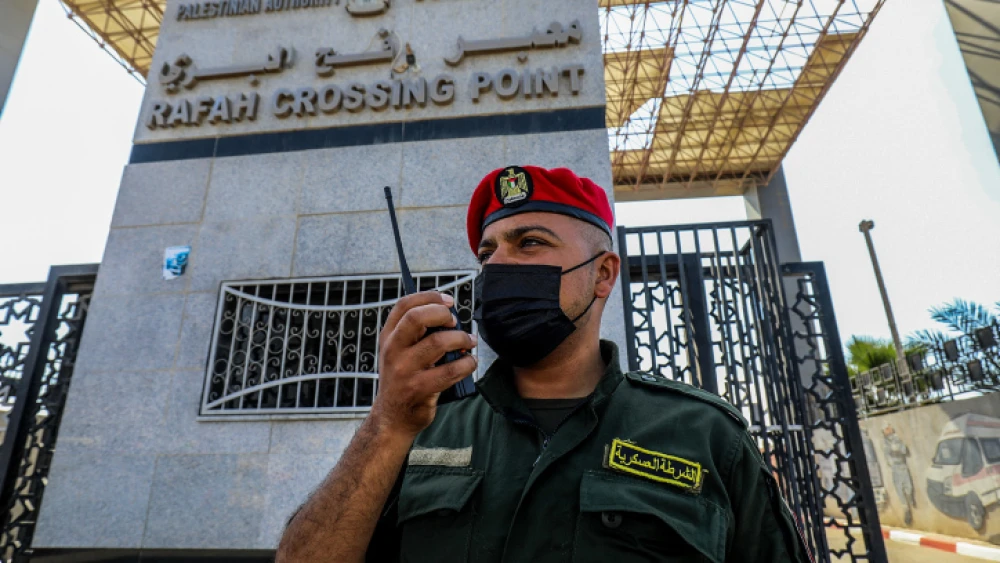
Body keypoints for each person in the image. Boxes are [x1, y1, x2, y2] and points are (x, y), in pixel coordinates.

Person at [276, 165, 814, 563]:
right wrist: (387, 421)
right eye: (486, 253)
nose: (497, 265)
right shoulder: (420, 429)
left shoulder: (704, 434)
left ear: (602, 275)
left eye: (528, 243)